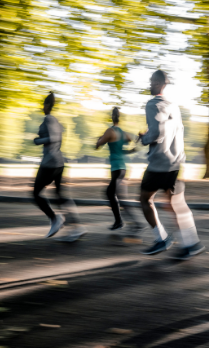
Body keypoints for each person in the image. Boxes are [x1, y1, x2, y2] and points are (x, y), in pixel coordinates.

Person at [137, 70, 205, 260]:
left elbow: (157, 133)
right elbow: (176, 132)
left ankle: (161, 239)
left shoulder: (152, 105)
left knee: (145, 200)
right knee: (176, 203)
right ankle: (192, 243)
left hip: (159, 163)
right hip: (175, 161)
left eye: (151, 81)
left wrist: (144, 139)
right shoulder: (174, 106)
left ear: (159, 83)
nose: (149, 85)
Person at [33, 92, 85, 242]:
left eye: (44, 105)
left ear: (47, 105)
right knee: (60, 196)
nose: (42, 108)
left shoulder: (48, 118)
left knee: (36, 193)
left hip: (50, 162)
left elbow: (54, 138)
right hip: (59, 162)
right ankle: (76, 228)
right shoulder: (56, 120)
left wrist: (39, 140)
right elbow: (59, 136)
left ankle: (55, 218)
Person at [95, 107, 141, 231]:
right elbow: (133, 144)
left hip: (117, 168)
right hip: (123, 168)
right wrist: (138, 141)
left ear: (112, 117)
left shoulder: (110, 131)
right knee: (118, 196)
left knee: (110, 193)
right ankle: (132, 223)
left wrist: (99, 139)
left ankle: (121, 222)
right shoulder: (123, 133)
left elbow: (98, 145)